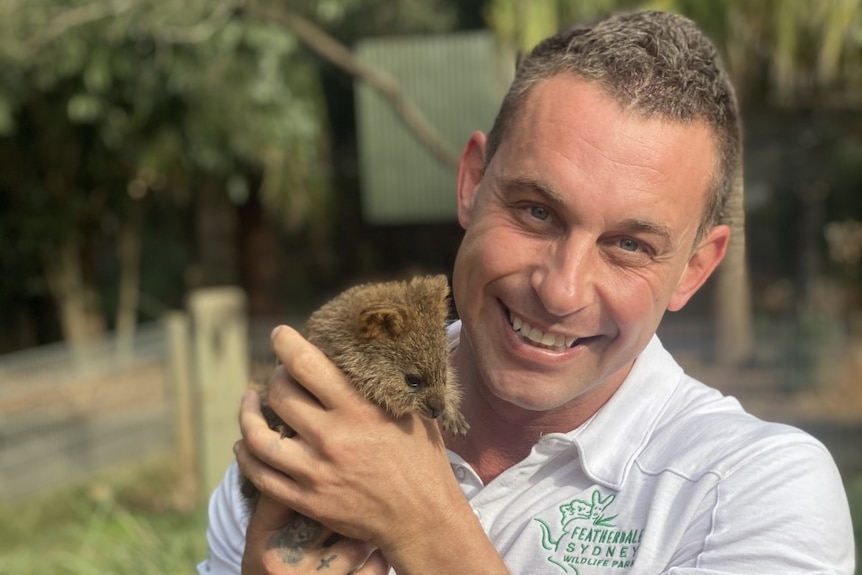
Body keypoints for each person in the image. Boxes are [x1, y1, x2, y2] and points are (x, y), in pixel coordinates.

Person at [198, 10, 856, 574]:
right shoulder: (322, 420)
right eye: (538, 211)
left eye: (629, 244)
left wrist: (421, 519)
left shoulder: (748, 491)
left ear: (693, 268)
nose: (563, 289)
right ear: (471, 182)